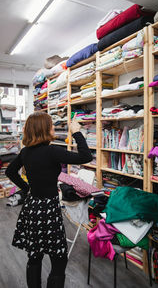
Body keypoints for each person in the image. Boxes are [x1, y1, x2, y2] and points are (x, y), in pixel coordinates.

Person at [5, 112, 92, 288]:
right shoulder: (52, 151)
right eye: (51, 125)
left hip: (32, 207)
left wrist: (27, 188)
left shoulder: (26, 152)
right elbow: (86, 156)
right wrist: (76, 132)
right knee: (59, 258)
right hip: (48, 210)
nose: (53, 127)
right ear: (44, 128)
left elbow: (10, 172)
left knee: (34, 255)